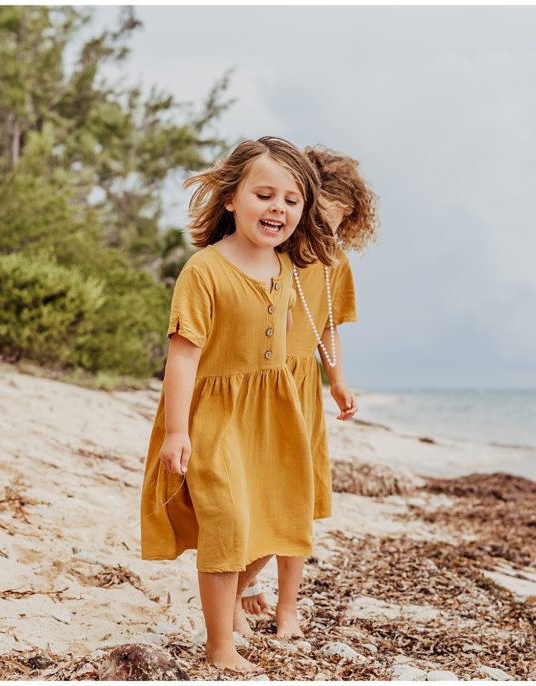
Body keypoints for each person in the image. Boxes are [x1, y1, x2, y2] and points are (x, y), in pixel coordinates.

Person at [139, 136, 335, 672]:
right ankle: (219, 646)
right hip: (216, 420)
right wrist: (177, 432)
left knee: (277, 517)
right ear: (231, 199)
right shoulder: (205, 269)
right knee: (225, 525)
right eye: (264, 194)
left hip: (273, 418)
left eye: (292, 200)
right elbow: (182, 358)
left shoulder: (285, 270)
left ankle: (240, 604)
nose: (278, 208)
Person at [239, 146, 380, 637]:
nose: (328, 230)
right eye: (320, 217)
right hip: (263, 385)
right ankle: (240, 585)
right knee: (256, 497)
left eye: (339, 222)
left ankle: (288, 609)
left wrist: (337, 380)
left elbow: (329, 326)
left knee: (297, 500)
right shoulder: (271, 255)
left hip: (303, 389)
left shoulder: (335, 264)